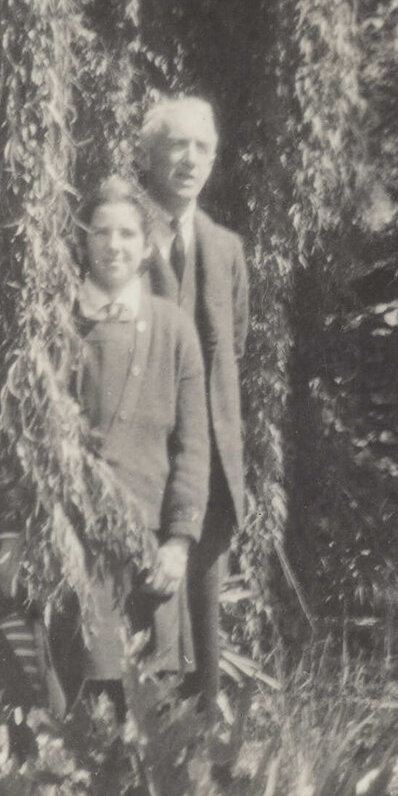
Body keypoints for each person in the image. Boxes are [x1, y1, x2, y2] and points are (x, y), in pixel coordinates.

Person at [0, 176, 210, 717]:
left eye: (129, 234)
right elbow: (25, 445)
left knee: (149, 714)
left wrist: (179, 543)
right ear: (84, 240)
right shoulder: (54, 329)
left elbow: (192, 446)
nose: (115, 246)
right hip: (71, 549)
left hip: (150, 552)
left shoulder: (174, 330)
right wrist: (14, 538)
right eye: (103, 233)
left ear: (146, 244)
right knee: (76, 702)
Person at [138, 96, 248, 711]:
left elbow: (232, 350)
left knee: (204, 654)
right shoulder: (118, 238)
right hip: (142, 467)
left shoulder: (227, 250)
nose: (189, 159)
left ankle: (203, 790)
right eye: (176, 144)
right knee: (146, 643)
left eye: (202, 147)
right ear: (150, 153)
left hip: (210, 476)